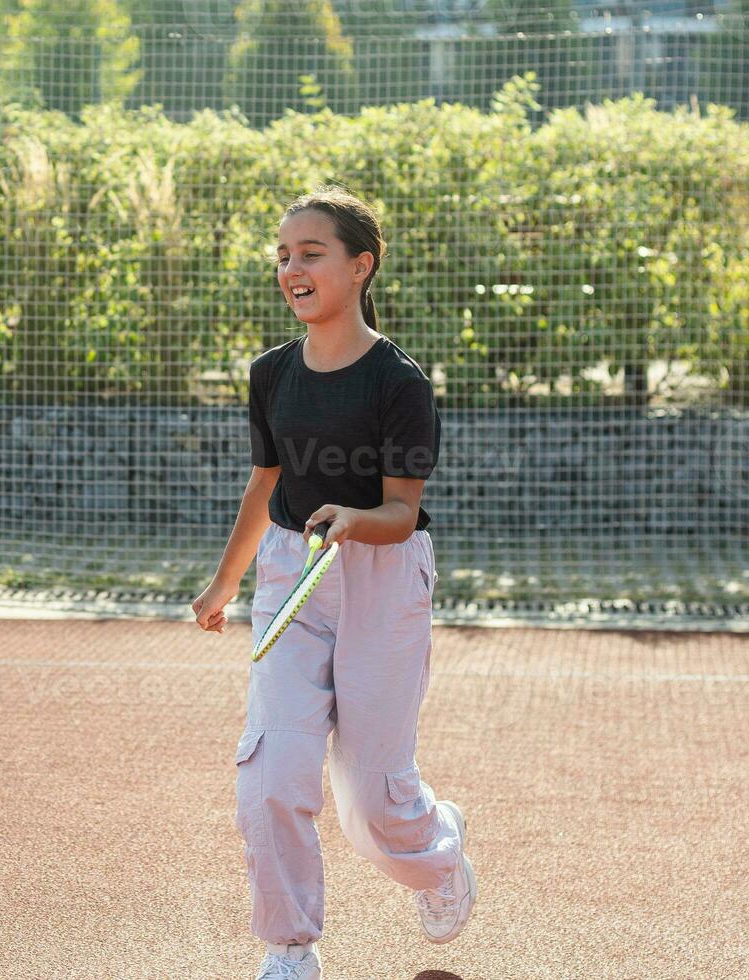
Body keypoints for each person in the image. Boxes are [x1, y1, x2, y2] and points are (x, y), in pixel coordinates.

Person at [191, 187, 476, 980]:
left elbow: (399, 509)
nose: (292, 268)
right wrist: (224, 584)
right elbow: (264, 482)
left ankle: (439, 856)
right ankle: (290, 950)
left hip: (381, 577)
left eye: (311, 253)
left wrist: (351, 520)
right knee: (272, 774)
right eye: (283, 255)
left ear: (361, 266)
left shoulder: (399, 383)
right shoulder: (271, 373)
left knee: (375, 804)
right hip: (291, 573)